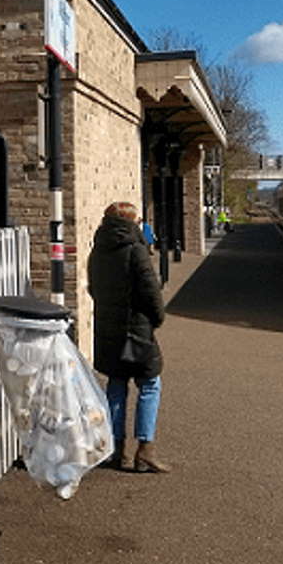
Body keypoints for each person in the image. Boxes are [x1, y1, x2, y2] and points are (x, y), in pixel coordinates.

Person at [88, 201, 170, 473]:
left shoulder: (98, 250)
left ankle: (116, 450)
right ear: (131, 222)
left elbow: (93, 288)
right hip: (136, 329)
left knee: (116, 384)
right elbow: (150, 290)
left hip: (109, 329)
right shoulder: (136, 250)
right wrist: (157, 318)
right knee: (149, 384)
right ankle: (145, 450)